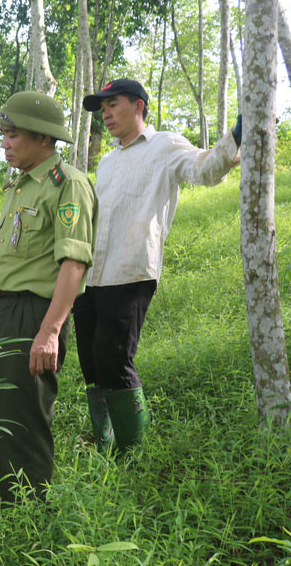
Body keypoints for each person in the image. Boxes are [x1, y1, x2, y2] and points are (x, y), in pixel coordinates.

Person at [75, 79, 241, 453]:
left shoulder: (164, 145)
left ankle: (131, 455)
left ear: (138, 106)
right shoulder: (107, 161)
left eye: (112, 104)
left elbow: (206, 169)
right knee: (92, 365)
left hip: (131, 270)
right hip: (91, 275)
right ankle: (104, 446)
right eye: (102, 109)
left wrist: (238, 134)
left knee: (115, 360)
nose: (106, 114)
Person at [0, 92, 97, 504]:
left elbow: (74, 264)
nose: (4, 143)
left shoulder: (68, 185)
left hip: (34, 315)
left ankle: (22, 524)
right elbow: (1, 265)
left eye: (12, 135)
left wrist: (49, 332)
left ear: (44, 138)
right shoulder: (17, 187)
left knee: (21, 424)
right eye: (3, 134)